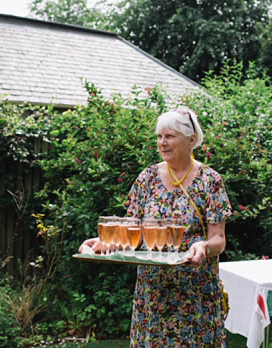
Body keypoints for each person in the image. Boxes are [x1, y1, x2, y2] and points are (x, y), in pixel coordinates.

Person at [79, 106, 232, 347]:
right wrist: (106, 242)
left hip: (195, 294)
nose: (162, 143)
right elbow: (133, 233)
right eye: (159, 136)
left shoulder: (210, 180)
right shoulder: (147, 178)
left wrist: (203, 246)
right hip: (153, 294)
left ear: (191, 140)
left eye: (169, 136)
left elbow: (219, 239)